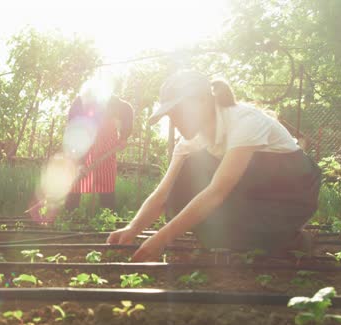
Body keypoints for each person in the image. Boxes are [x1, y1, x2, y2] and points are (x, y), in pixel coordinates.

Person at [107, 70, 320, 261]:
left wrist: (161, 239)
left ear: (202, 100)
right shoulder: (189, 143)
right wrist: (132, 229)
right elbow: (163, 193)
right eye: (171, 115)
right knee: (184, 182)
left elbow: (217, 191)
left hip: (292, 192)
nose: (175, 121)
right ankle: (253, 239)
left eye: (179, 111)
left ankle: (289, 238)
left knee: (196, 168)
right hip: (250, 192)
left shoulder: (245, 121)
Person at [64, 91, 134, 211]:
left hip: (107, 148)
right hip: (83, 146)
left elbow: (127, 111)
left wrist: (123, 138)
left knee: (106, 184)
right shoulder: (78, 107)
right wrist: (80, 163)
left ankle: (107, 217)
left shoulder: (115, 103)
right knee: (75, 182)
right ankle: (70, 215)